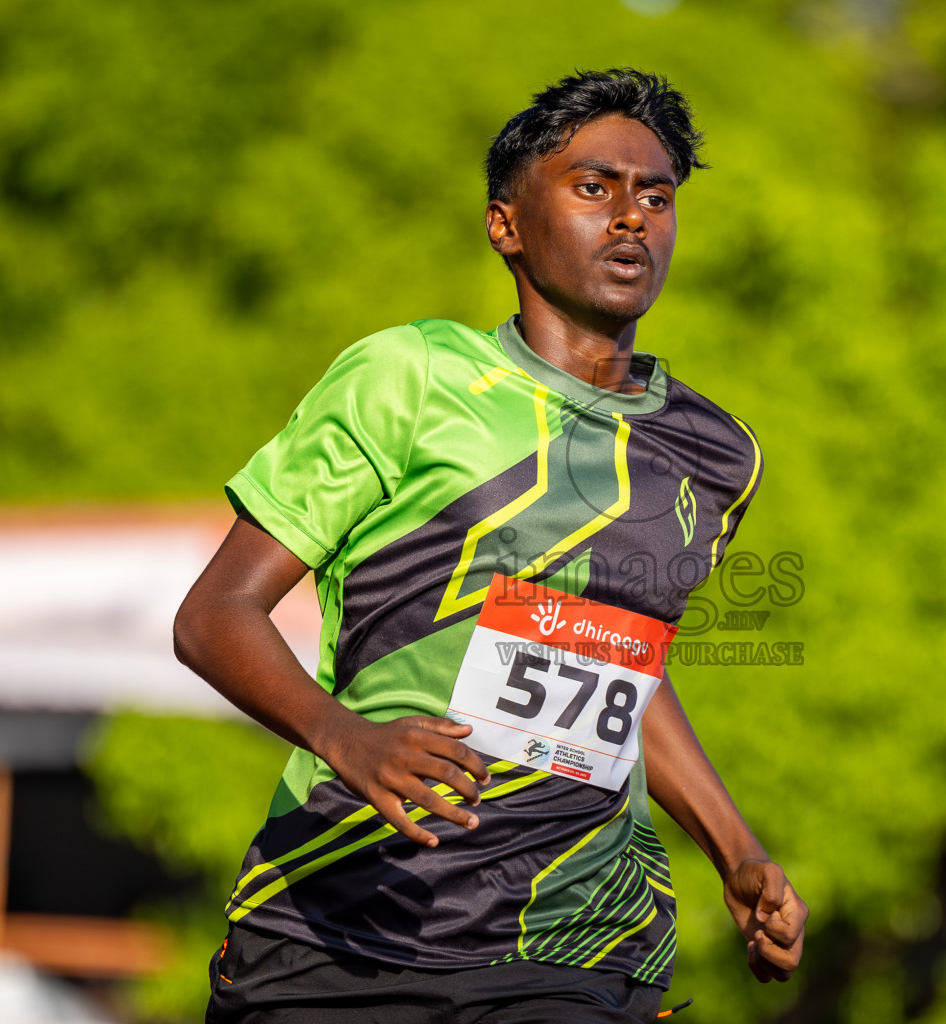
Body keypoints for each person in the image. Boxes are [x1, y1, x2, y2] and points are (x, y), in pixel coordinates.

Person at [175, 68, 807, 1024]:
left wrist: (737, 850)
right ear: (506, 225)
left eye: (656, 195)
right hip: (340, 921)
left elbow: (618, 663)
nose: (632, 216)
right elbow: (214, 615)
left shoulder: (716, 455)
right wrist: (343, 736)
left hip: (578, 939)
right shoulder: (411, 376)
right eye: (595, 187)